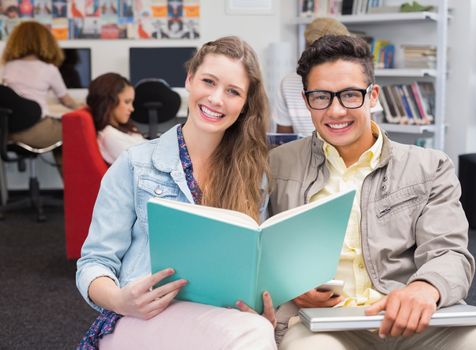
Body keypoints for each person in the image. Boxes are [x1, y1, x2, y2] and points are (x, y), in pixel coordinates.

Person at [269, 35, 476, 349]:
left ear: (372, 95)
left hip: (414, 319)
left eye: (350, 95)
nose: (335, 111)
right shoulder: (277, 165)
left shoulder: (429, 166)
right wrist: (289, 287)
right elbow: (258, 251)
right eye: (321, 97)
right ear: (307, 100)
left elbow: (450, 253)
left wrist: (426, 288)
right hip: (320, 325)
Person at [76, 36, 277, 350]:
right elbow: (93, 263)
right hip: (141, 320)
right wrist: (120, 299)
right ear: (189, 80)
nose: (216, 99)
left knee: (256, 326)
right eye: (208, 82)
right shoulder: (134, 164)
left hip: (217, 319)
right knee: (252, 334)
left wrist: (260, 302)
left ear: (245, 103)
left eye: (233, 91)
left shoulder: (254, 175)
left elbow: (253, 267)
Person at [1, 21, 80, 152]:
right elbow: (66, 100)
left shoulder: (9, 67)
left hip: (9, 132)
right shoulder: (49, 69)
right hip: (36, 130)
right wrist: (85, 109)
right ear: (46, 42)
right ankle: (69, 172)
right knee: (76, 131)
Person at [273, 18, 350, 136]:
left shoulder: (357, 80)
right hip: (302, 153)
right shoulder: (287, 84)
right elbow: (284, 142)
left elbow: (366, 131)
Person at [86, 72, 146, 164]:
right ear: (109, 102)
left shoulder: (124, 127)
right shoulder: (109, 136)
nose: (132, 109)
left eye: (131, 102)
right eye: (127, 102)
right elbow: (142, 165)